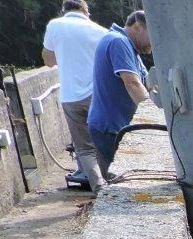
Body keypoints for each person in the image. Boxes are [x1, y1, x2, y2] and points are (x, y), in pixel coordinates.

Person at [41, 0, 107, 192]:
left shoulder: (55, 25)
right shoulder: (101, 31)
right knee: (103, 143)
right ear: (86, 11)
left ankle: (99, 189)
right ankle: (111, 184)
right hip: (99, 95)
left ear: (64, 10)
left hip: (71, 97)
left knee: (84, 148)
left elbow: (49, 61)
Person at [87, 10, 151, 185]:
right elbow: (132, 83)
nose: (155, 42)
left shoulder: (128, 45)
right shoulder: (118, 42)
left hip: (113, 126)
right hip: (110, 128)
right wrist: (151, 117)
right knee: (121, 182)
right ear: (138, 27)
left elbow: (147, 83)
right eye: (152, 34)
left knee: (124, 180)